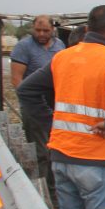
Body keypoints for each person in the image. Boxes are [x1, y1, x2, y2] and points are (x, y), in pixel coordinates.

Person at [17, 5, 105, 209]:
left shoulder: (62, 57)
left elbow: (25, 89)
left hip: (61, 156)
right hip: (95, 158)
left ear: (89, 28)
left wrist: (52, 123)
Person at [11, 15, 65, 182]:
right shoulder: (23, 47)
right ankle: (42, 187)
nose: (41, 34)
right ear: (32, 29)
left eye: (45, 31)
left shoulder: (60, 46)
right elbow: (17, 79)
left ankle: (55, 184)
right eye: (38, 30)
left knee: (56, 147)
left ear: (53, 30)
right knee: (41, 150)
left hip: (55, 104)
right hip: (34, 104)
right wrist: (27, 105)